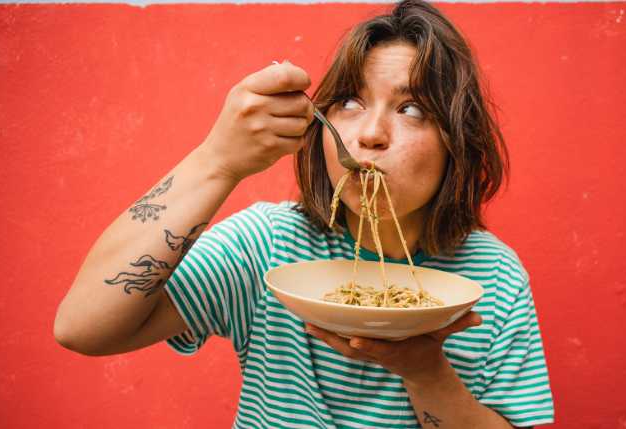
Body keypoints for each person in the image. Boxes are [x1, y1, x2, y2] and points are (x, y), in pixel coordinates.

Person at [54, 1, 555, 427]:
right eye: (352, 102)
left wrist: (426, 372)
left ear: (458, 143)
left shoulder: (493, 275)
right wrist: (217, 160)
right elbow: (83, 329)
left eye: (411, 110)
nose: (369, 135)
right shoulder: (268, 243)